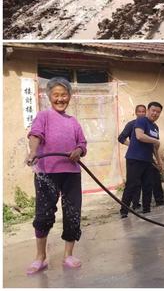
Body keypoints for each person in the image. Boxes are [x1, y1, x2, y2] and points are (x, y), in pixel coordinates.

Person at [25, 77, 87, 275]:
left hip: (71, 174)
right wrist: (33, 151)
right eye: (56, 95)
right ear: (49, 96)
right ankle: (40, 257)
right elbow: (35, 135)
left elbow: (82, 144)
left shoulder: (74, 122)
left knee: (72, 213)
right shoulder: (43, 116)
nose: (60, 99)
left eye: (64, 95)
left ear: (69, 96)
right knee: (43, 215)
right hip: (47, 173)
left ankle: (68, 255)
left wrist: (78, 150)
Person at [120, 102, 164, 218]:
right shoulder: (141, 121)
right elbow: (139, 136)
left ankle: (146, 209)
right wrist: (155, 141)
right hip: (135, 158)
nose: (155, 113)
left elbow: (154, 147)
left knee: (148, 185)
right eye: (153, 110)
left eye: (158, 112)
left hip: (148, 160)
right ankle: (124, 211)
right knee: (132, 184)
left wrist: (159, 161)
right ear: (148, 110)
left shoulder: (155, 127)